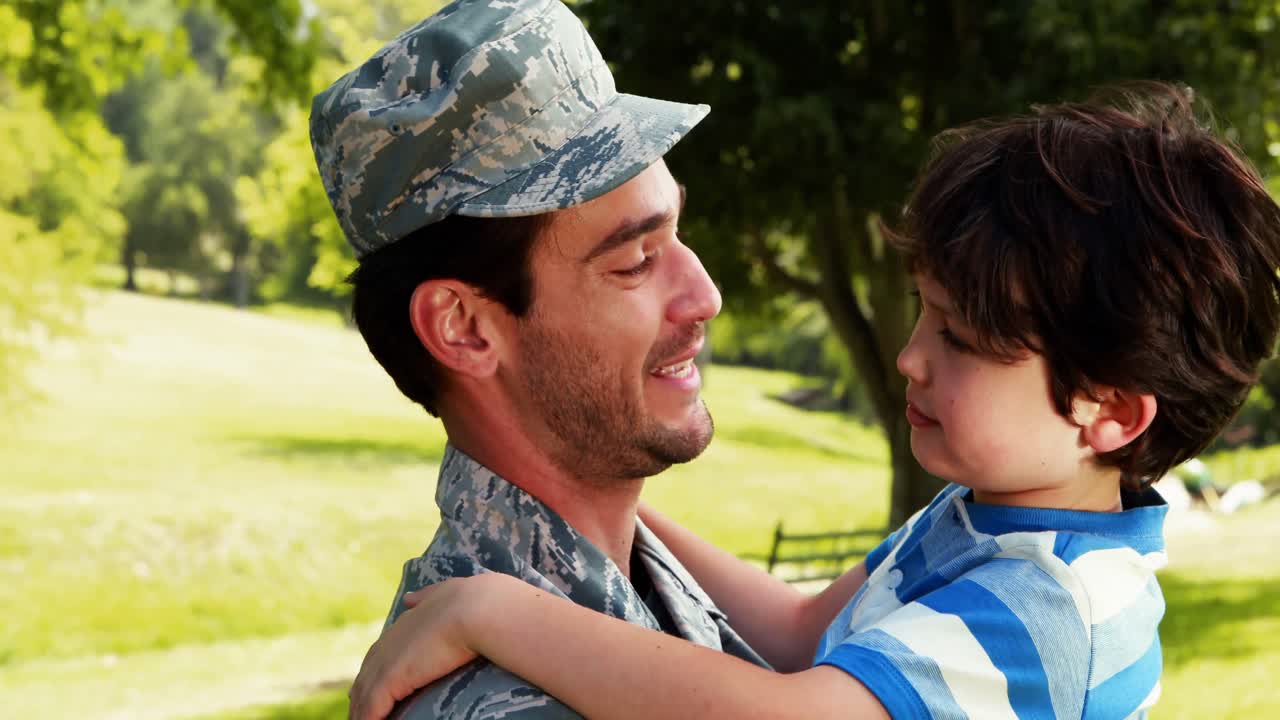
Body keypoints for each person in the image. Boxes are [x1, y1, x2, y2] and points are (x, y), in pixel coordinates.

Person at [348, 83, 1280, 720]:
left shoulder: (1046, 607)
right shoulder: (990, 521)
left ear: (1110, 412)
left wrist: (494, 613)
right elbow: (802, 632)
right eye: (634, 260)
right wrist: (599, 505)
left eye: (961, 340)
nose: (909, 357)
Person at [307, 0, 772, 717]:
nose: (705, 296)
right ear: (464, 328)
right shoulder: (506, 700)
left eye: (677, 233)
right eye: (635, 261)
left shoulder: (628, 575)